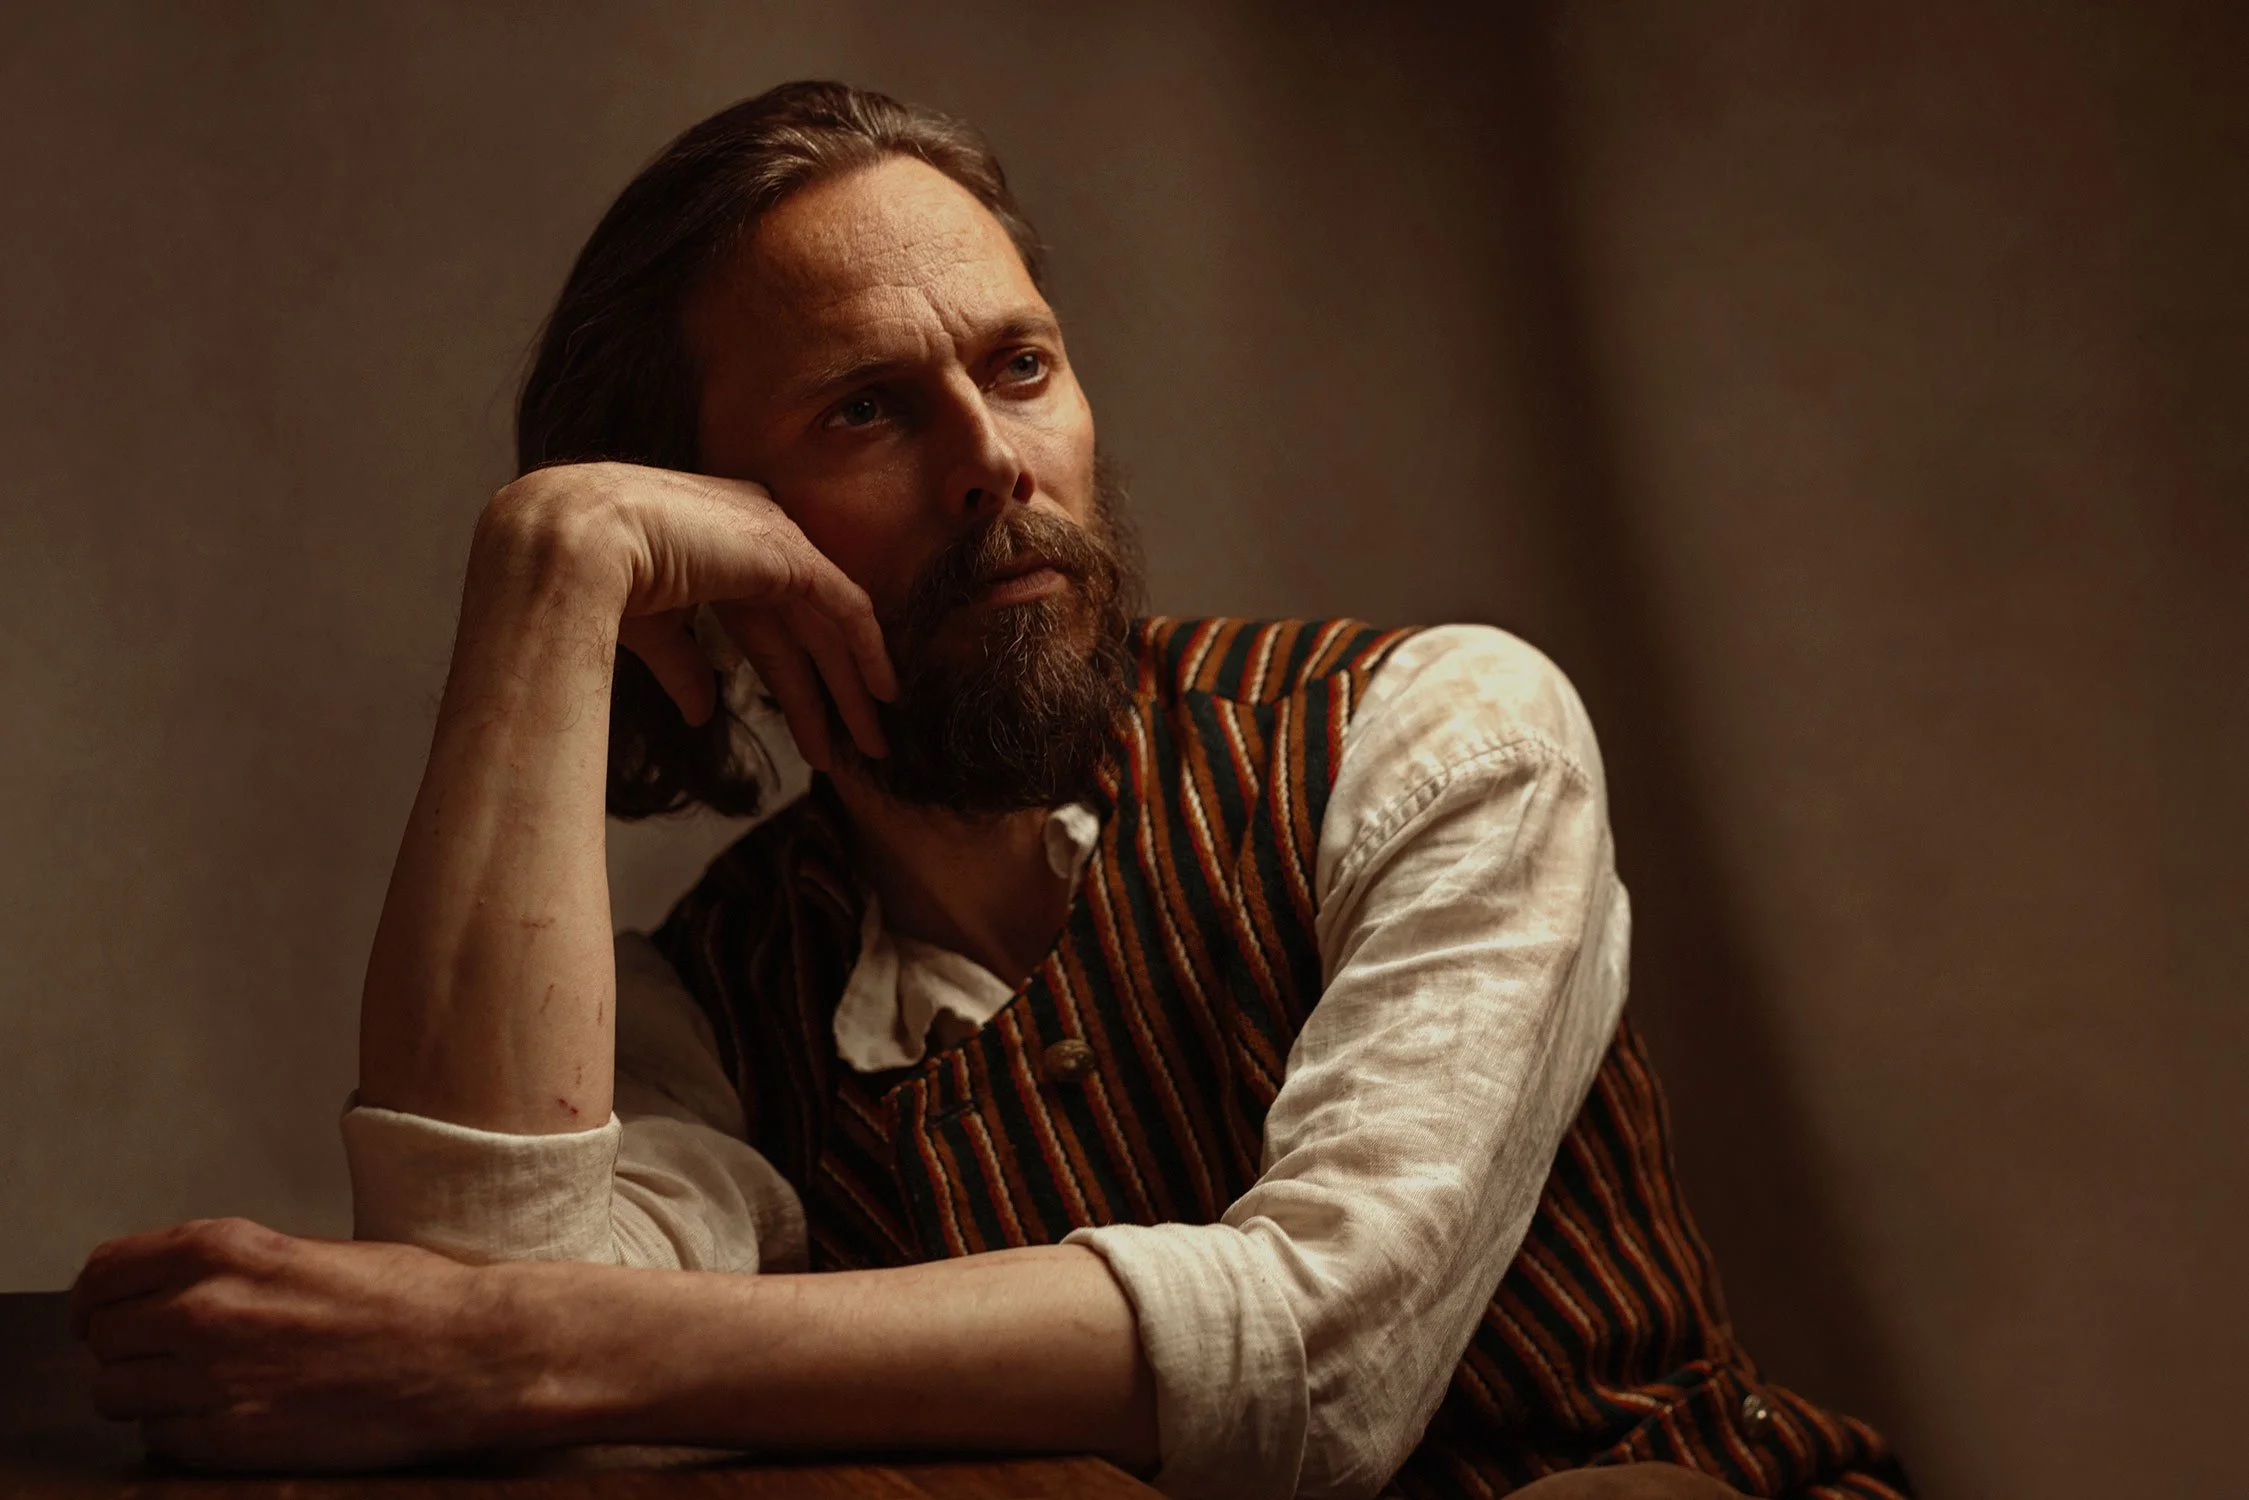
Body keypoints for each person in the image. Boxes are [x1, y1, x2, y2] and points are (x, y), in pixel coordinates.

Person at [67, 81, 1911, 1500]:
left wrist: (542, 1346)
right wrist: (554, 570)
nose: (994, 463)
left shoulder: (1436, 734)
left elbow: (1318, 1355)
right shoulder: (712, 1004)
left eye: (1019, 368)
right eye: (865, 408)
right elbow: (478, 1333)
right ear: (712, 525)